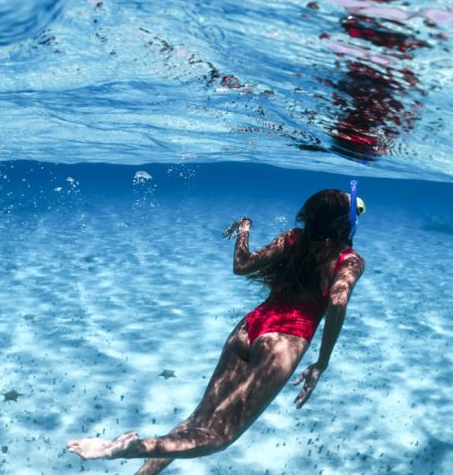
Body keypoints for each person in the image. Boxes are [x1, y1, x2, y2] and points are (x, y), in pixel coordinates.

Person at [67, 184, 366, 474]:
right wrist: (321, 363)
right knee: (219, 436)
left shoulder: (292, 238)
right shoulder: (349, 260)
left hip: (250, 327)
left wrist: (244, 229)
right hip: (283, 341)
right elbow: (337, 302)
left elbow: (242, 265)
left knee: (199, 418)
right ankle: (132, 448)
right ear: (343, 226)